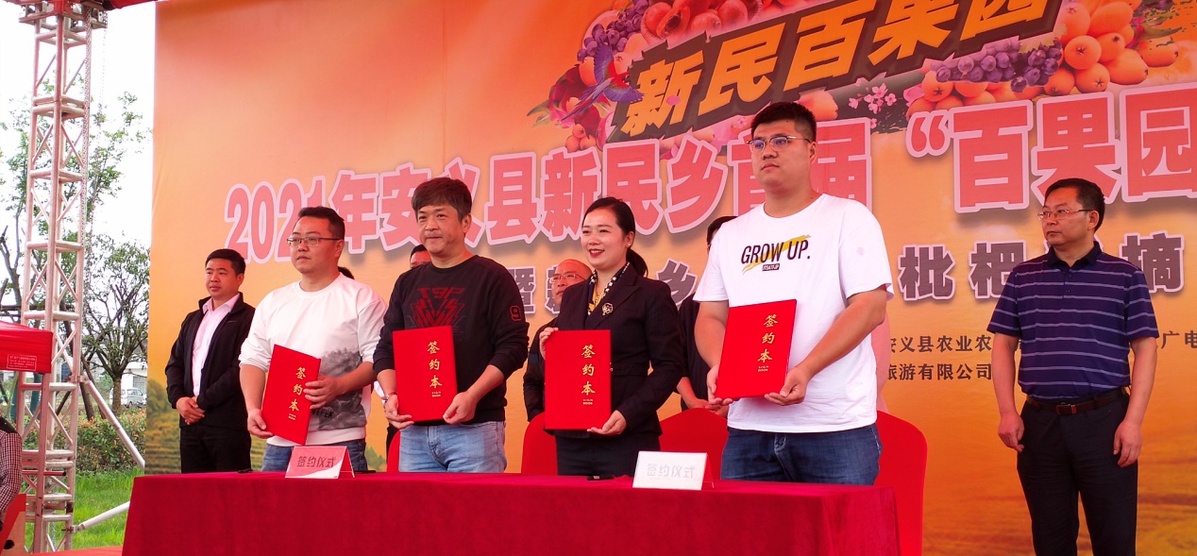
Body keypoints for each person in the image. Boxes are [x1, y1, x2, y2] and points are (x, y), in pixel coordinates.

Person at [693, 102, 893, 485]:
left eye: (782, 140)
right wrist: (722, 366)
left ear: (812, 150)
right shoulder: (731, 235)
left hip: (834, 428)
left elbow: (870, 308)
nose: (767, 151)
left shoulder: (848, 218)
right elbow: (711, 316)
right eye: (758, 144)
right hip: (749, 430)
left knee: (839, 527)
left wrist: (807, 369)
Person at [988, 177, 1158, 555]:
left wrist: (1132, 421)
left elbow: (1145, 348)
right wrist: (1007, 411)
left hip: (1105, 421)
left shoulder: (1125, 276)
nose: (1050, 220)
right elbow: (1003, 345)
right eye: (1045, 213)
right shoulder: (1023, 276)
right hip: (1040, 424)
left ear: (1092, 218)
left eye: (1061, 211)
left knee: (1114, 539)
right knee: (1051, 540)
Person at [375, 177, 529, 472]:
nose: (430, 226)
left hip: (474, 429)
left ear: (466, 222)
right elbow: (386, 348)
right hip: (414, 431)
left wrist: (472, 396)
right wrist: (390, 395)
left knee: (472, 505)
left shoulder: (492, 277)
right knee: (416, 505)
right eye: (423, 217)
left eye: (441, 216)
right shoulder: (407, 283)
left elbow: (513, 347)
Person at [539, 197, 685, 477]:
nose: (592, 240)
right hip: (572, 437)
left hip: (625, 434)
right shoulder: (573, 295)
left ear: (628, 238)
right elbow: (577, 364)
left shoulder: (651, 293)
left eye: (603, 231)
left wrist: (628, 414)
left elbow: (670, 367)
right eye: (586, 231)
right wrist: (553, 355)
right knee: (573, 506)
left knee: (626, 507)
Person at [239, 206, 386, 472]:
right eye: (295, 239)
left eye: (312, 239)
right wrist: (252, 408)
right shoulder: (274, 301)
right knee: (272, 502)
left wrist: (339, 385)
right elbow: (252, 360)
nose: (301, 246)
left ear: (337, 247)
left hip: (337, 438)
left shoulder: (361, 298)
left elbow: (378, 360)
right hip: (279, 439)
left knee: (336, 503)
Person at [164, 249, 255, 472]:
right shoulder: (193, 318)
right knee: (193, 491)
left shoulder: (250, 318)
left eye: (222, 273)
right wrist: (179, 400)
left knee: (229, 491)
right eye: (209, 272)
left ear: (240, 278)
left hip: (227, 425)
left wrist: (202, 402)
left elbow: (240, 369)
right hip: (190, 423)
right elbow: (175, 364)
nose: (214, 278)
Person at [676, 215, 734, 412]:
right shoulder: (690, 305)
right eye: (717, 247)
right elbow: (676, 362)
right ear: (709, 251)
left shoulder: (759, 303)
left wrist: (732, 407)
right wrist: (692, 401)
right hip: (698, 413)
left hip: (746, 414)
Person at [379, 243, 434, 452]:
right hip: (406, 416)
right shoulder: (402, 306)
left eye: (426, 266)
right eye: (414, 268)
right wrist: (390, 395)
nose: (419, 274)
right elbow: (384, 350)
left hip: (454, 420)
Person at [523, 257, 590, 421]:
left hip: (597, 424)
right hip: (553, 425)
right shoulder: (545, 333)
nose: (560, 282)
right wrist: (537, 417)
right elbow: (532, 381)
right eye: (555, 278)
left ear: (591, 285)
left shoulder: (602, 326)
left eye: (570, 276)